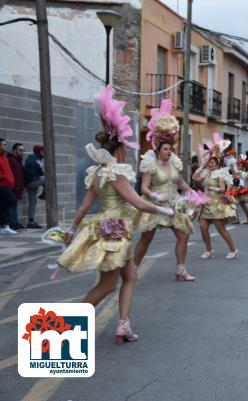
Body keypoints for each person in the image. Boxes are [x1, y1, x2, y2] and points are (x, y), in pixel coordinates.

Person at [56, 86, 173, 344]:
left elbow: (85, 207)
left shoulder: (97, 172)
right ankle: (65, 328)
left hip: (108, 229)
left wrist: (71, 231)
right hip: (114, 231)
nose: (125, 151)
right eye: (124, 146)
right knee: (107, 285)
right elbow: (138, 203)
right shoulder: (114, 172)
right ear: (118, 148)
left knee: (130, 275)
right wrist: (164, 209)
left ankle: (123, 324)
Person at [132, 99, 197, 281]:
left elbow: (181, 183)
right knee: (146, 239)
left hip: (174, 203)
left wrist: (194, 194)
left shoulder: (174, 163)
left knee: (183, 236)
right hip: (155, 204)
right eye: (166, 149)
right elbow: (144, 188)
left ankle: (181, 269)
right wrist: (154, 195)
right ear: (158, 150)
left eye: (170, 148)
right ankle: (133, 269)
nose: (169, 151)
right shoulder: (150, 163)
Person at [193, 135, 238, 259]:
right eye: (209, 162)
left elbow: (223, 189)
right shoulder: (206, 172)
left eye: (211, 163)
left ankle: (233, 249)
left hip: (216, 204)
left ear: (217, 163)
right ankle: (209, 250)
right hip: (206, 204)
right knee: (203, 227)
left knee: (220, 229)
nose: (210, 164)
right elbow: (195, 178)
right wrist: (202, 166)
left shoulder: (220, 173)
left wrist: (214, 189)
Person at [0, 138, 17, 235]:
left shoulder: (4, 157)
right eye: (3, 144)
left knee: (3, 206)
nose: (5, 146)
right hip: (2, 185)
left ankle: (4, 226)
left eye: (6, 144)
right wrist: (5, 178)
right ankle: (4, 225)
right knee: (12, 201)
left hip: (8, 185)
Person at [8, 143, 26, 230]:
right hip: (12, 187)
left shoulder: (18, 160)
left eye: (23, 150)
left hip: (17, 188)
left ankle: (15, 223)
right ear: (14, 150)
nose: (22, 152)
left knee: (15, 206)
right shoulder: (11, 160)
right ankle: (12, 224)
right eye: (20, 150)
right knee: (12, 206)